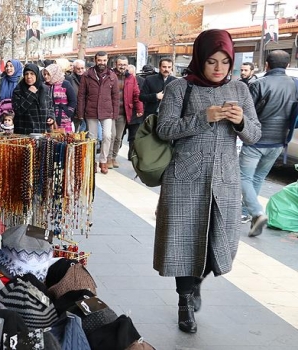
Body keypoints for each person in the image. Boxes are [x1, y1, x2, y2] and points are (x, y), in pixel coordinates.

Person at [154, 29, 261, 334]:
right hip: (185, 178)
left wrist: (240, 120)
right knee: (185, 243)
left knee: (220, 242)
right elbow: (165, 129)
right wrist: (205, 116)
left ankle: (197, 281)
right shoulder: (179, 88)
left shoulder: (241, 90)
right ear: (200, 59)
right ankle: (184, 301)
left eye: (225, 61)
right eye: (212, 61)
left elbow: (255, 134)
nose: (218, 68)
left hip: (225, 179)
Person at [241, 50, 295, 235]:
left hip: (256, 140)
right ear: (287, 65)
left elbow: (247, 112)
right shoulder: (295, 84)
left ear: (266, 65)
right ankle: (247, 213)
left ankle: (255, 212)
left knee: (243, 177)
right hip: (279, 141)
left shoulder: (259, 84)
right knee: (257, 178)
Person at [76, 51, 119, 174]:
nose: (102, 63)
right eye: (99, 60)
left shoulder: (112, 75)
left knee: (107, 135)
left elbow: (115, 96)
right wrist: (80, 112)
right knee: (92, 138)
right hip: (91, 110)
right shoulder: (87, 75)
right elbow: (81, 95)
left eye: (104, 60)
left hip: (107, 110)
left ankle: (103, 160)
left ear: (107, 60)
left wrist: (115, 113)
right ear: (95, 60)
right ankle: (92, 162)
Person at [137, 58, 177, 159]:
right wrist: (155, 96)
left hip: (168, 116)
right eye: (164, 67)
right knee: (150, 139)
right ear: (159, 67)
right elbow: (141, 97)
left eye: (169, 67)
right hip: (151, 116)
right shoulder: (150, 79)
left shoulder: (175, 81)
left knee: (165, 139)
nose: (166, 69)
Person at [108, 57, 143, 169]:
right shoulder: (109, 75)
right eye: (120, 64)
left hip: (123, 112)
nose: (122, 66)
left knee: (118, 137)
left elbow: (136, 94)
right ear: (115, 64)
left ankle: (113, 157)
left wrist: (139, 109)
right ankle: (108, 158)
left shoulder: (131, 78)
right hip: (110, 112)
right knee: (111, 136)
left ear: (127, 65)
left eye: (124, 64)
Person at [12, 63, 55, 134]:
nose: (29, 76)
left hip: (42, 130)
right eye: (26, 74)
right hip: (24, 131)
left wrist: (51, 116)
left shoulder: (44, 89)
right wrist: (30, 94)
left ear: (37, 75)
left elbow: (50, 106)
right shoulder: (18, 89)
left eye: (32, 74)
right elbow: (18, 110)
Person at [42, 63, 76, 133]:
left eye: (48, 74)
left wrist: (68, 112)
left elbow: (73, 100)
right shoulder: (44, 86)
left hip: (63, 117)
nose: (45, 76)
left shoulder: (65, 84)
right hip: (48, 117)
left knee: (64, 138)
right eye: (44, 74)